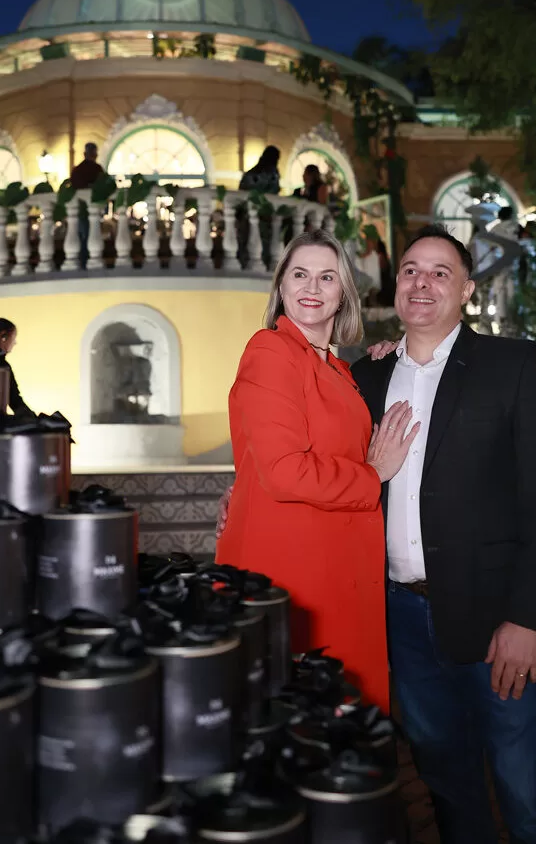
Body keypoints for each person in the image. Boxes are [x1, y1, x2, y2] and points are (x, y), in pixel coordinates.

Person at [353, 224, 536, 844]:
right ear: (396, 284)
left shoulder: (514, 365)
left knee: (528, 798)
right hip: (402, 620)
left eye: (441, 272)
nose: (422, 282)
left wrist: (530, 619)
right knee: (448, 789)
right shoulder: (364, 376)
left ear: (466, 290)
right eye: (411, 270)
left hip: (499, 623)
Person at [215, 228, 418, 712]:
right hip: (294, 572)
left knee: (337, 720)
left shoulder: (341, 369)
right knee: (302, 720)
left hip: (335, 569)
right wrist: (373, 473)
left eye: (327, 277)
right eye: (299, 274)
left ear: (343, 292)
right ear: (281, 287)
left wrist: (391, 356)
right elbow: (284, 471)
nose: (312, 287)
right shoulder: (271, 349)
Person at [70, 143, 105, 268]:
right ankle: (85, 262)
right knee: (86, 236)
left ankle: (84, 262)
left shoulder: (79, 170)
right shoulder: (92, 169)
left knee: (84, 236)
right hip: (85, 209)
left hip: (83, 209)